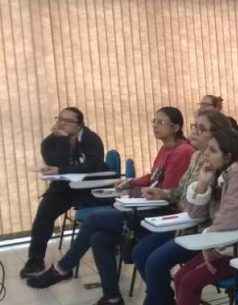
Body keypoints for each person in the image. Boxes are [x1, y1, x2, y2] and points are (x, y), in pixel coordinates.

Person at [27, 107, 195, 305]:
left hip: (160, 214)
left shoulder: (182, 151)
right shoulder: (166, 148)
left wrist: (135, 192)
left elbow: (167, 191)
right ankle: (112, 296)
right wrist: (130, 182)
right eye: (153, 121)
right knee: (99, 238)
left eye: (160, 122)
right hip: (144, 207)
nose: (154, 126)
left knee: (93, 219)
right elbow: (154, 177)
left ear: (175, 127)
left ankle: (63, 268)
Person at [130, 110, 231, 305]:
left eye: (201, 129)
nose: (194, 132)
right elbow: (181, 190)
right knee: (140, 252)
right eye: (195, 127)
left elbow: (203, 210)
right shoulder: (195, 157)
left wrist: (188, 195)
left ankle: (158, 300)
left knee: (154, 262)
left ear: (217, 135)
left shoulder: (220, 162)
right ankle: (162, 299)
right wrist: (164, 193)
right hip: (185, 222)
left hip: (202, 230)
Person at [170, 128, 238, 305]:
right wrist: (202, 184)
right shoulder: (222, 172)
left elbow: (229, 220)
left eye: (213, 150)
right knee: (181, 277)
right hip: (226, 244)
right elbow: (195, 214)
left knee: (188, 283)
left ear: (228, 156)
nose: (206, 154)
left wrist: (208, 244)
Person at [20, 107, 110, 279]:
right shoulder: (54, 140)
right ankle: (35, 260)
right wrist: (60, 140)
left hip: (89, 188)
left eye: (67, 121)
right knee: (43, 216)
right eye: (59, 118)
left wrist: (61, 168)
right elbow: (53, 161)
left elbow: (91, 166)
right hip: (64, 188)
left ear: (79, 124)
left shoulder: (91, 139)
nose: (61, 123)